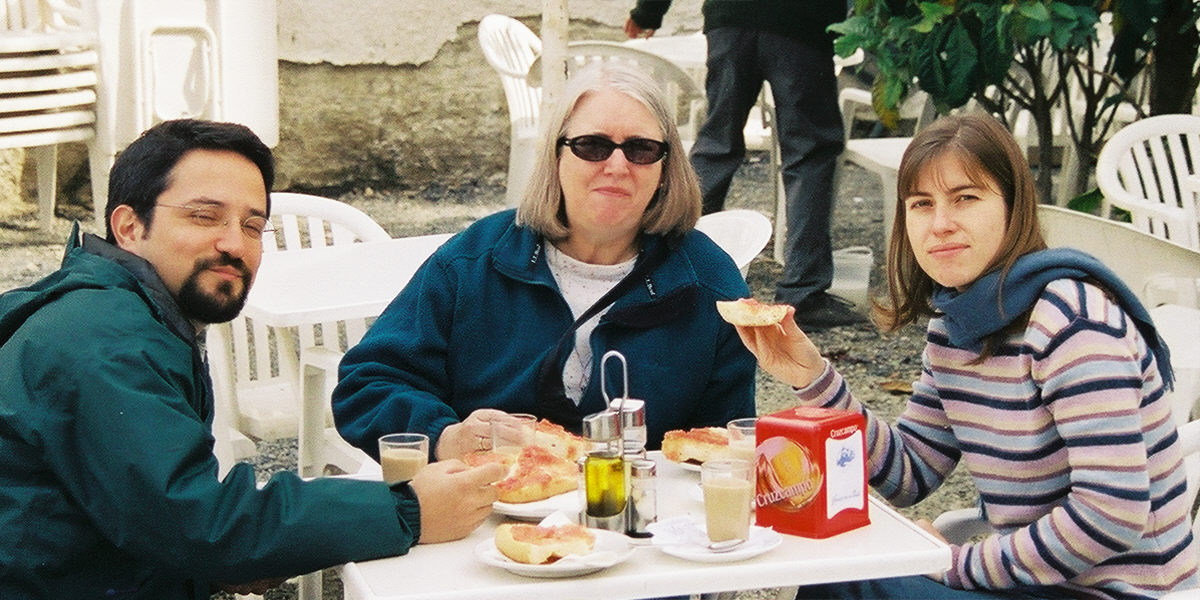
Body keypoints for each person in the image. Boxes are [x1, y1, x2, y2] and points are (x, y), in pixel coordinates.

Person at [0, 119, 505, 599]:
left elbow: (148, 518)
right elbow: (195, 524)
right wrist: (408, 512)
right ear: (129, 226)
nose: (233, 244)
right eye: (204, 216)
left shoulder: (122, 310)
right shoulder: (103, 340)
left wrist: (235, 562)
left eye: (252, 225)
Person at [733, 113, 1199, 598]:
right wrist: (813, 377)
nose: (940, 224)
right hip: (1036, 585)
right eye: (921, 204)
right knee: (834, 573)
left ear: (1013, 207)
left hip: (1113, 591)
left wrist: (957, 564)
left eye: (966, 198)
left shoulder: (1072, 320)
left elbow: (1113, 512)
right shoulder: (957, 324)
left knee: (844, 586)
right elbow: (907, 473)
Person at [332, 62, 757, 462]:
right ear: (556, 157)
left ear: (665, 169)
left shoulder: (707, 283)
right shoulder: (475, 262)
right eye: (592, 145)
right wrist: (446, 437)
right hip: (486, 509)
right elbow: (367, 385)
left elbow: (726, 443)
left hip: (645, 520)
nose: (616, 165)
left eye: (641, 149)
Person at [624, 0, 863, 330]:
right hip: (802, 24)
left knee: (716, 147)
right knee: (809, 155)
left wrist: (648, 13)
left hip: (731, 20)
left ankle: (668, 273)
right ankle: (802, 294)